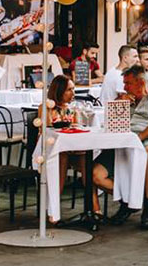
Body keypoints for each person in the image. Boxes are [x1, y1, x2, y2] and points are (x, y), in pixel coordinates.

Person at [93, 66, 148, 229]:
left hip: (144, 140)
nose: (124, 87)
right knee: (95, 175)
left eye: (127, 83)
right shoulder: (124, 100)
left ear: (140, 82)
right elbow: (109, 124)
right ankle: (128, 201)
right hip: (119, 143)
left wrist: (138, 138)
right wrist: (119, 106)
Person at [41, 75, 89, 220]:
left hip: (71, 148)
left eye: (73, 89)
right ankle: (53, 210)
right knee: (61, 157)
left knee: (86, 158)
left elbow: (76, 126)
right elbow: (47, 129)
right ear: (59, 91)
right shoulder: (47, 107)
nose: (73, 93)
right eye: (69, 90)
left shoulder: (71, 109)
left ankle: (93, 207)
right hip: (49, 150)